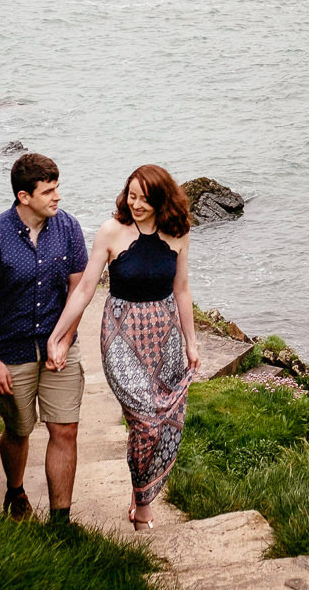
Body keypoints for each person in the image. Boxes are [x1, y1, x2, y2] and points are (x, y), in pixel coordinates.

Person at [48, 164, 200, 529]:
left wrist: (191, 343)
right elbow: (85, 288)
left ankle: (139, 492)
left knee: (163, 421)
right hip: (121, 337)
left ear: (161, 200)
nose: (136, 204)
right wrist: (58, 334)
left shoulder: (178, 234)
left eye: (144, 199)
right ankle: (144, 503)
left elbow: (181, 289)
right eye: (131, 196)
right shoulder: (110, 231)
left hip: (165, 337)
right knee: (146, 421)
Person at [0, 152, 89, 524]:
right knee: (19, 431)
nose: (57, 197)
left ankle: (61, 521)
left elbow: (78, 291)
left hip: (59, 346)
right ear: (24, 196)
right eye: (48, 191)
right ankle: (15, 491)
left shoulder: (69, 228)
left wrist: (64, 340)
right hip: (10, 350)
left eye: (57, 188)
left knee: (65, 429)